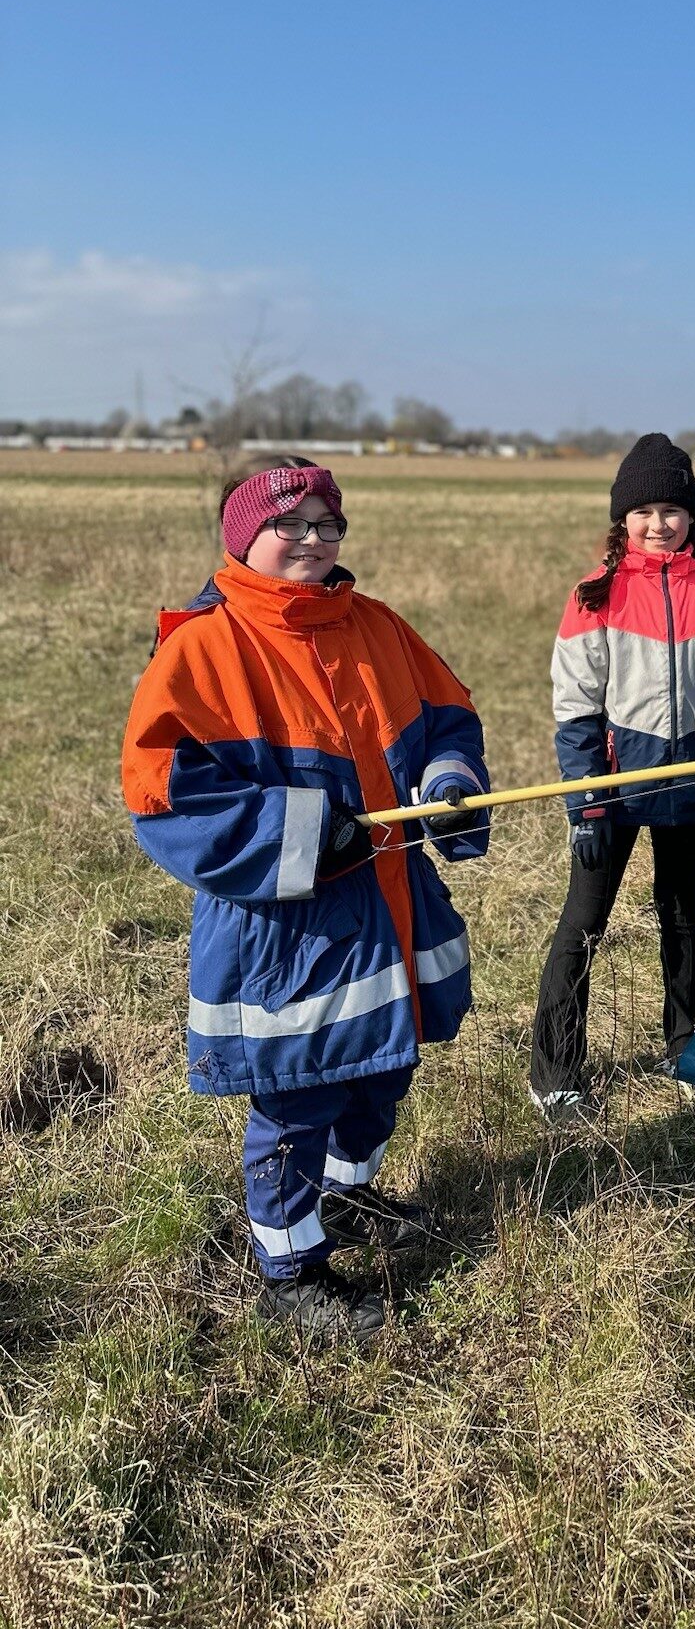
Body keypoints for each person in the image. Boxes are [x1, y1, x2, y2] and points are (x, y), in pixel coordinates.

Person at [122, 455, 490, 1344]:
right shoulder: (204, 649)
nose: (315, 540)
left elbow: (449, 719)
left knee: (385, 1066)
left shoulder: (376, 625)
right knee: (297, 1094)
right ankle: (290, 1268)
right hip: (285, 924)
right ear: (245, 536)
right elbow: (161, 791)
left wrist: (448, 781)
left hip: (393, 900)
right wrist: (303, 831)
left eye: (329, 524)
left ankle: (348, 1191)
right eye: (293, 525)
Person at [532, 434, 695, 1121]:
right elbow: (575, 711)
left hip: (690, 778)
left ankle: (687, 1044)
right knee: (584, 923)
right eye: (644, 512)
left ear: (692, 515)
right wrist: (588, 803)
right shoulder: (595, 595)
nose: (659, 525)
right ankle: (556, 1073)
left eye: (672, 510)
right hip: (615, 787)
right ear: (621, 520)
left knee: (683, 913)